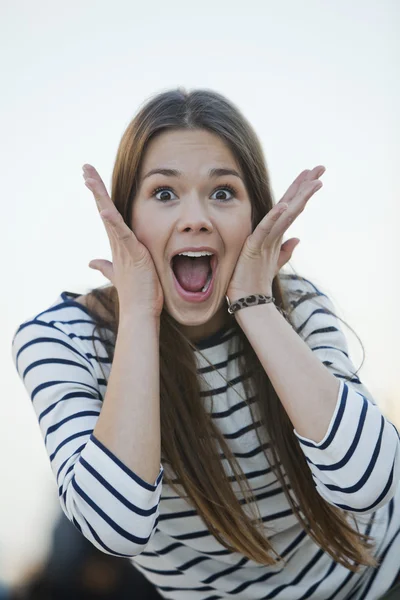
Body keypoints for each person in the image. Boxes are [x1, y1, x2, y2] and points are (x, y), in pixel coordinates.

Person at [11, 88, 400, 599]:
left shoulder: (296, 306)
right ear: (127, 219)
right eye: (164, 194)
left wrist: (254, 304)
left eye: (222, 193)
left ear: (253, 215)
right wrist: (139, 318)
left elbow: (369, 484)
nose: (195, 218)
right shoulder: (60, 339)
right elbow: (115, 528)